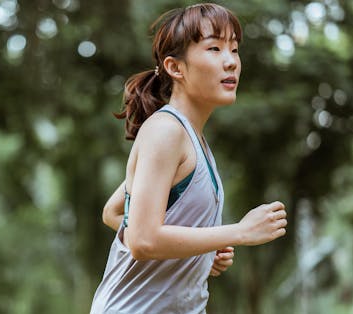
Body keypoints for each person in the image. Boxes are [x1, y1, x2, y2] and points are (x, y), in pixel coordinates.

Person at [90, 3, 288, 313]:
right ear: (175, 67)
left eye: (234, 50)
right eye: (214, 48)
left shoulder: (191, 138)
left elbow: (115, 212)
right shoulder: (165, 131)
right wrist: (241, 231)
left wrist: (194, 253)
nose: (231, 62)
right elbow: (142, 239)